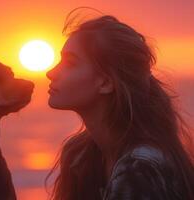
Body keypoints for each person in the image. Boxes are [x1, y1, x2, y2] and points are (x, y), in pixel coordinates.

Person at [45, 7, 194, 200]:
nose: (51, 72)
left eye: (70, 63)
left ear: (106, 82)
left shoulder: (140, 170)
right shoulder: (81, 156)